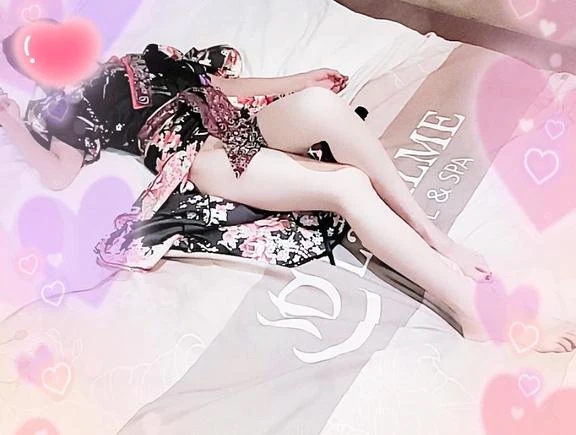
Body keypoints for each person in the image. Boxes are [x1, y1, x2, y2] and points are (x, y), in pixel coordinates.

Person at [1, 20, 574, 353]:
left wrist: (301, 80)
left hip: (238, 123)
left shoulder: (144, 57)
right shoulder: (68, 105)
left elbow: (224, 86)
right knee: (348, 186)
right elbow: (57, 172)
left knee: (321, 105)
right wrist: (10, 119)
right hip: (201, 155)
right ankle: (474, 313)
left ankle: (436, 238)